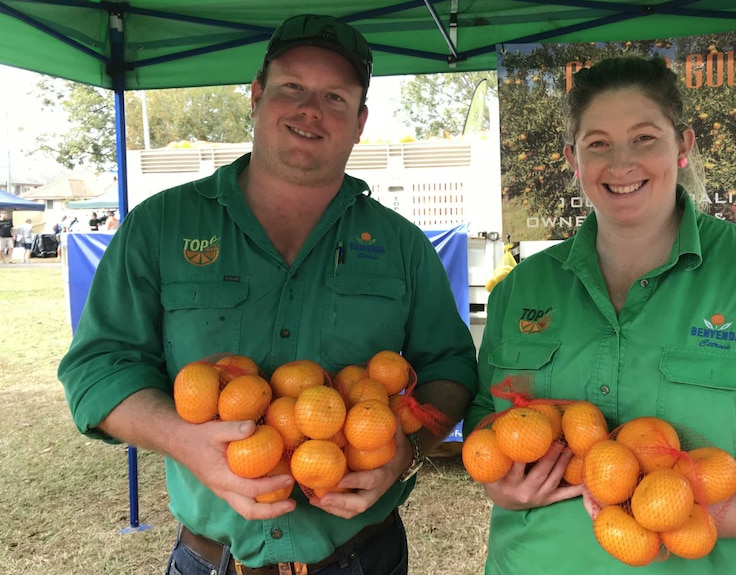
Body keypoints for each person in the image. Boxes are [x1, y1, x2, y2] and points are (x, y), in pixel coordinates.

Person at [58, 14, 477, 575]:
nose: (311, 110)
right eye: (292, 88)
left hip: (365, 555)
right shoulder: (160, 227)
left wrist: (406, 451)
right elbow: (99, 366)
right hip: (210, 558)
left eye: (335, 96)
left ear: (360, 121)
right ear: (256, 95)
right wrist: (182, 439)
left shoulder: (401, 244)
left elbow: (449, 366)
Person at [465, 56, 736, 574]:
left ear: (684, 145)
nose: (621, 163)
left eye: (645, 137)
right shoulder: (520, 289)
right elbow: (486, 415)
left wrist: (697, 513)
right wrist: (501, 481)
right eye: (598, 143)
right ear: (572, 159)